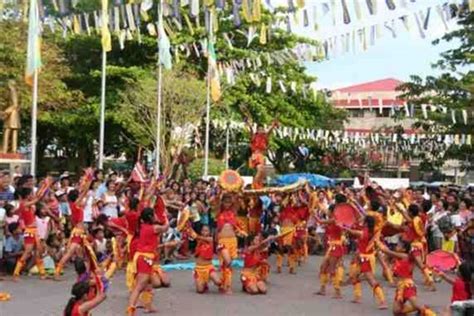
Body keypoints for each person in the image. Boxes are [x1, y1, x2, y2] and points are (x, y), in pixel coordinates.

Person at [377, 240, 436, 316]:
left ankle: (429, 313)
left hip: (408, 285)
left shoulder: (404, 256)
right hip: (400, 287)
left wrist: (378, 244)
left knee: (416, 304)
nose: (396, 246)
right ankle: (421, 308)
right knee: (396, 311)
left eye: (399, 245)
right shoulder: (398, 258)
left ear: (404, 249)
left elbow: (388, 252)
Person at [127, 208, 169, 316]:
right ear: (151, 217)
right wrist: (165, 217)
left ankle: (148, 306)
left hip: (144, 258)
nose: (156, 215)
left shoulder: (143, 226)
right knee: (140, 285)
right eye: (154, 214)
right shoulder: (154, 228)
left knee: (148, 284)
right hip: (145, 259)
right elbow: (166, 227)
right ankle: (131, 309)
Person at [342, 216, 388, 309]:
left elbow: (352, 232)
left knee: (371, 280)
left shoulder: (364, 233)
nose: (362, 221)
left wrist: (343, 227)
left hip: (365, 259)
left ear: (366, 223)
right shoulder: (372, 232)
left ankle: (382, 301)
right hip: (363, 257)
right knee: (354, 276)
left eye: (364, 221)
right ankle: (357, 297)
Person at [216, 193, 247, 294]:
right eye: (225, 202)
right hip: (222, 241)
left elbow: (237, 200)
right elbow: (215, 201)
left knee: (226, 264)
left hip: (233, 240)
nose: (227, 204)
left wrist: (234, 190)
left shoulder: (234, 212)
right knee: (227, 262)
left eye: (229, 202)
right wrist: (222, 191)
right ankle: (227, 286)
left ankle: (223, 284)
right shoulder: (218, 211)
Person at [13, 187, 46, 280]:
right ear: (27, 196)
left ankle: (42, 273)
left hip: (34, 231)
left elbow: (36, 198)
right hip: (30, 231)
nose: (32, 195)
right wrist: (45, 187)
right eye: (31, 194)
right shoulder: (24, 204)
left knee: (37, 252)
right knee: (27, 252)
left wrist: (44, 187)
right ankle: (16, 273)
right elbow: (37, 199)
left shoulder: (28, 204)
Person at [245, 117, 278, 189]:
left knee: (261, 173)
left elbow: (269, 131)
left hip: (261, 155)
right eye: (259, 129)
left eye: (262, 129)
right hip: (256, 155)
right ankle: (254, 185)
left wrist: (273, 125)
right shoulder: (254, 136)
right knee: (260, 170)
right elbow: (250, 130)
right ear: (257, 130)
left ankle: (258, 185)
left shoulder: (265, 136)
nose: (261, 130)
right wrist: (249, 124)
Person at [194, 225, 221, 293]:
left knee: (218, 282)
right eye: (203, 230)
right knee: (200, 290)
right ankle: (204, 283)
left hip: (208, 268)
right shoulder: (199, 241)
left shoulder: (210, 239)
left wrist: (195, 235)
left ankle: (210, 278)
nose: (204, 232)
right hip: (199, 268)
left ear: (209, 232)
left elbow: (202, 238)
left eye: (206, 230)